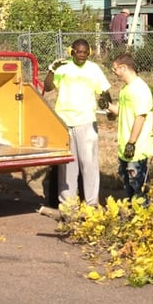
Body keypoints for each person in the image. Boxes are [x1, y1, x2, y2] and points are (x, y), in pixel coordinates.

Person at [43, 39, 110, 207]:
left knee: (89, 164)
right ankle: (68, 204)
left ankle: (91, 204)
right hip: (64, 121)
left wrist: (107, 105)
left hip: (85, 120)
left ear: (89, 53)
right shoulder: (63, 67)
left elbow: (104, 90)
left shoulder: (93, 69)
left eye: (85, 52)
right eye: (79, 52)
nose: (82, 55)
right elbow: (48, 87)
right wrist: (52, 69)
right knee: (67, 166)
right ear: (71, 51)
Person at [107, 53, 153, 205]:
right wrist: (107, 106)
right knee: (128, 186)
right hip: (124, 148)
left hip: (136, 148)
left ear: (124, 68)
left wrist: (132, 142)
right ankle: (132, 216)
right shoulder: (125, 89)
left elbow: (140, 116)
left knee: (138, 186)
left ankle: (144, 218)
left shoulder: (140, 89)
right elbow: (122, 111)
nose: (113, 72)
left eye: (115, 69)